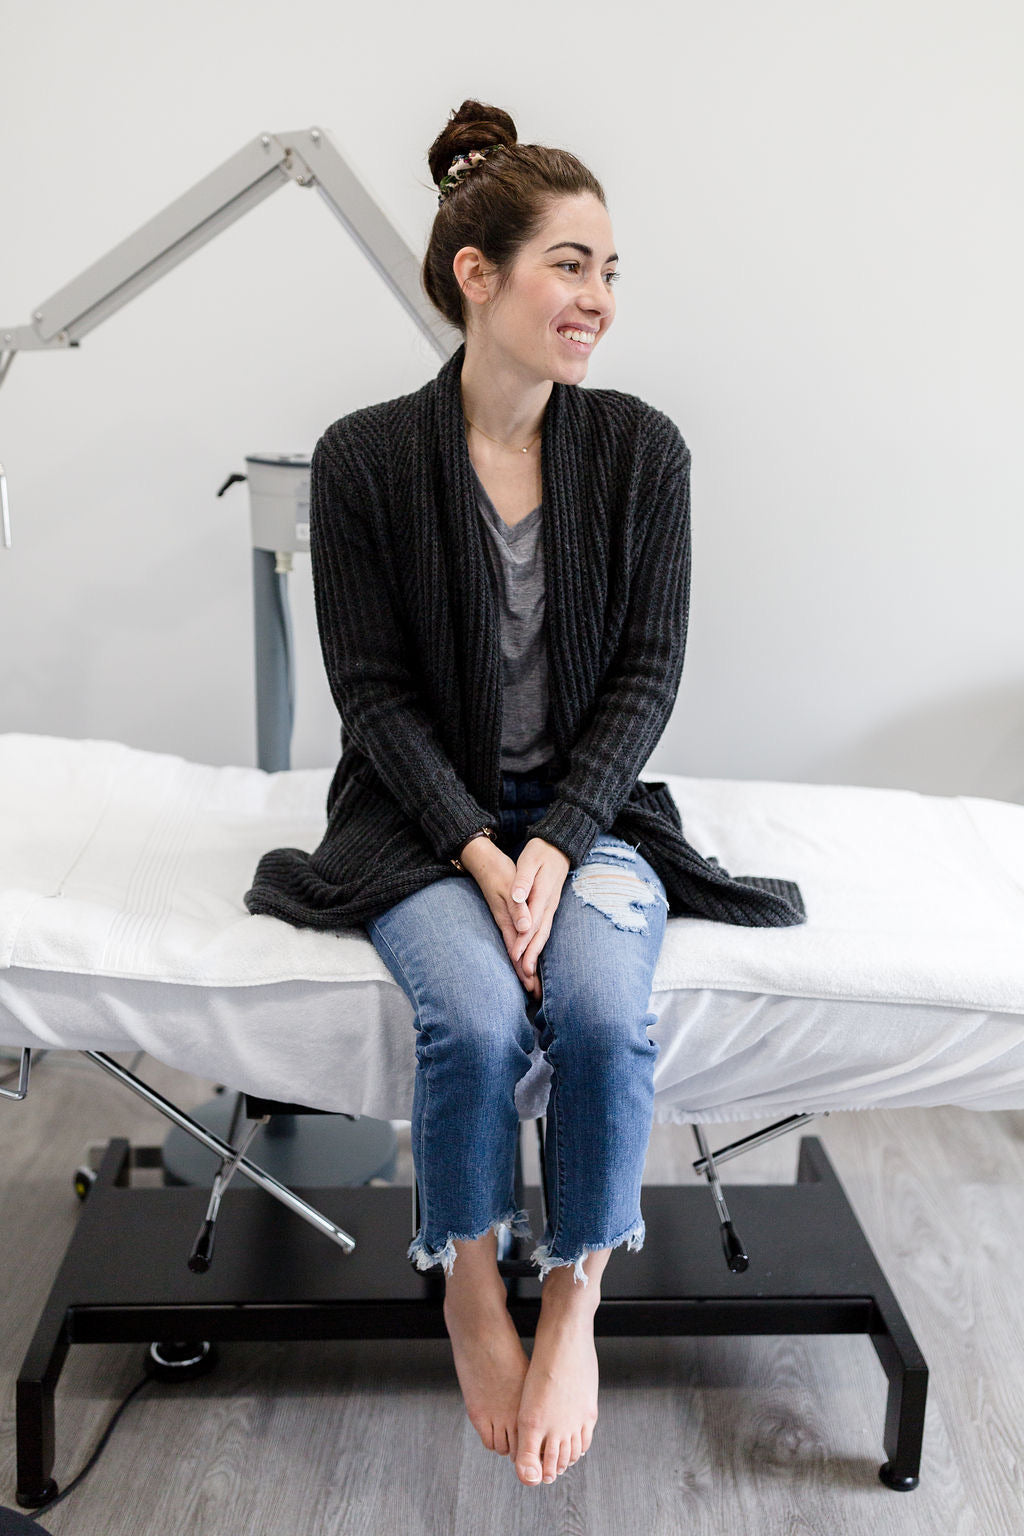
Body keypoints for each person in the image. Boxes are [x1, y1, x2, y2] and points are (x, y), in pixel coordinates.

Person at [243, 96, 806, 1491]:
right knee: (481, 1020)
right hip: (422, 828)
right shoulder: (370, 459)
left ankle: (576, 1302)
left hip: (596, 819)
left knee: (609, 1014)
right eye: (570, 264)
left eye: (610, 270)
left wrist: (557, 840)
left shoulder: (642, 453)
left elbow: (647, 674)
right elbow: (370, 695)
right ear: (474, 275)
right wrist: (489, 859)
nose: (597, 298)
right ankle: (469, 1284)